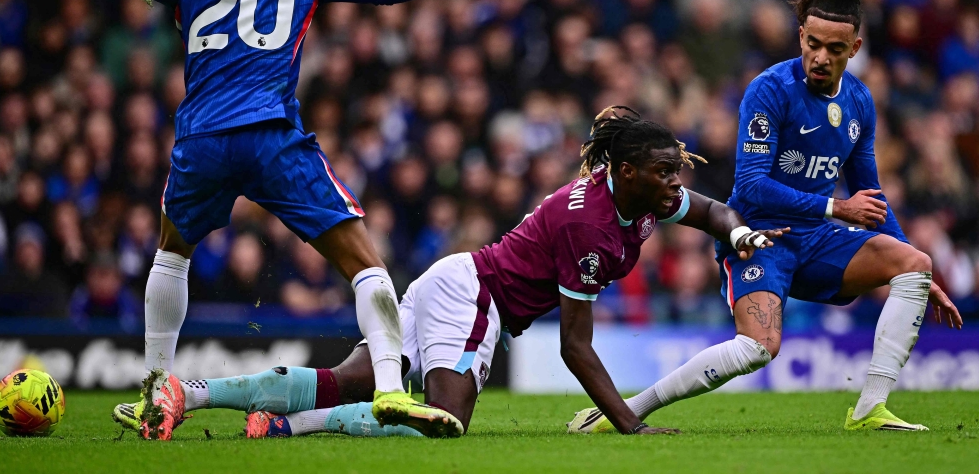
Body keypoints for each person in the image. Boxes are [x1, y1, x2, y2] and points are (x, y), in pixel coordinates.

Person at [0, 0, 486, 440]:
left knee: (171, 254)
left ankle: (157, 392)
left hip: (202, 139)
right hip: (271, 136)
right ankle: (389, 390)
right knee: (363, 260)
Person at [122, 108, 787, 439]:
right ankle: (286, 427)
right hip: (477, 295)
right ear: (627, 171)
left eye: (676, 170)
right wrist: (631, 426)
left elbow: (706, 210)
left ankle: (193, 395)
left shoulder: (646, 196)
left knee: (354, 378)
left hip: (458, 282)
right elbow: (575, 346)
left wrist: (740, 231)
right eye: (665, 170)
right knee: (444, 417)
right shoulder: (589, 224)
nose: (677, 181)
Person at [568, 0, 963, 436]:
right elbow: (751, 185)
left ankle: (870, 411)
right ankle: (625, 410)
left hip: (816, 239)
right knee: (758, 349)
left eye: (835, 49)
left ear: (855, 47)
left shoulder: (859, 100)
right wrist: (836, 207)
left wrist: (910, 262)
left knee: (914, 262)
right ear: (800, 36)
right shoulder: (769, 90)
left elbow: (869, 192)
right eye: (813, 44)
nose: (821, 57)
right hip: (758, 237)